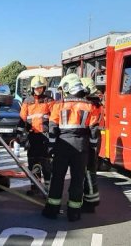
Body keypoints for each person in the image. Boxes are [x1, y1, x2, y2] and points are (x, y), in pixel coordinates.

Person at [42, 74, 99, 221]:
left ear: (68, 88)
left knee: (57, 178)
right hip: (81, 147)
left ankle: (52, 210)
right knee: (77, 180)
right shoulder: (90, 106)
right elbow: (94, 131)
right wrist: (92, 149)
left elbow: (53, 128)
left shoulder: (58, 105)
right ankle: (74, 213)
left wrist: (51, 147)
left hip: (62, 145)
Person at [19, 75, 54, 196]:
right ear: (32, 88)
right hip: (32, 137)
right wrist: (19, 134)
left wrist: (54, 136)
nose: (38, 90)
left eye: (40, 88)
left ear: (44, 88)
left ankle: (48, 190)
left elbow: (54, 119)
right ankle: (35, 187)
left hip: (46, 137)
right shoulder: (27, 101)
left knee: (47, 164)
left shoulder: (49, 101)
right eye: (36, 88)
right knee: (33, 163)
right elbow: (22, 119)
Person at [80, 77, 103, 213]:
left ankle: (90, 202)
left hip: (90, 140)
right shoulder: (95, 102)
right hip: (93, 140)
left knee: (88, 171)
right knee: (90, 171)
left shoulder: (91, 105)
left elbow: (91, 126)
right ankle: (90, 199)